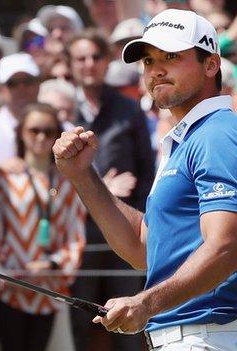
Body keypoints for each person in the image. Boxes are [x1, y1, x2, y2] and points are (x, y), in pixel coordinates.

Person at [53, 9, 237, 350]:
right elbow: (142, 249)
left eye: (171, 56)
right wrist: (83, 177)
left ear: (211, 64)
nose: (157, 70)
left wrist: (146, 303)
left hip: (205, 338)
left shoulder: (218, 134)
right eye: (149, 61)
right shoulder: (189, 140)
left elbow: (225, 249)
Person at [66, 30, 155, 351]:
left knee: (128, 320)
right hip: (75, 235)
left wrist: (143, 224)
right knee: (77, 321)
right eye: (81, 58)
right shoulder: (60, 111)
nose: (89, 64)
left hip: (124, 228)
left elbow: (146, 172)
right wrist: (103, 188)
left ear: (106, 62)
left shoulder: (128, 109)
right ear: (70, 64)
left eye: (95, 57)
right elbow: (49, 175)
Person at [0, 103, 86, 351]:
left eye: (49, 131)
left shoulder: (68, 182)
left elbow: (75, 235)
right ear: (21, 133)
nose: (41, 137)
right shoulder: (4, 177)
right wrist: (1, 271)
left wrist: (53, 264)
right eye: (34, 130)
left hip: (49, 287)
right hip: (11, 286)